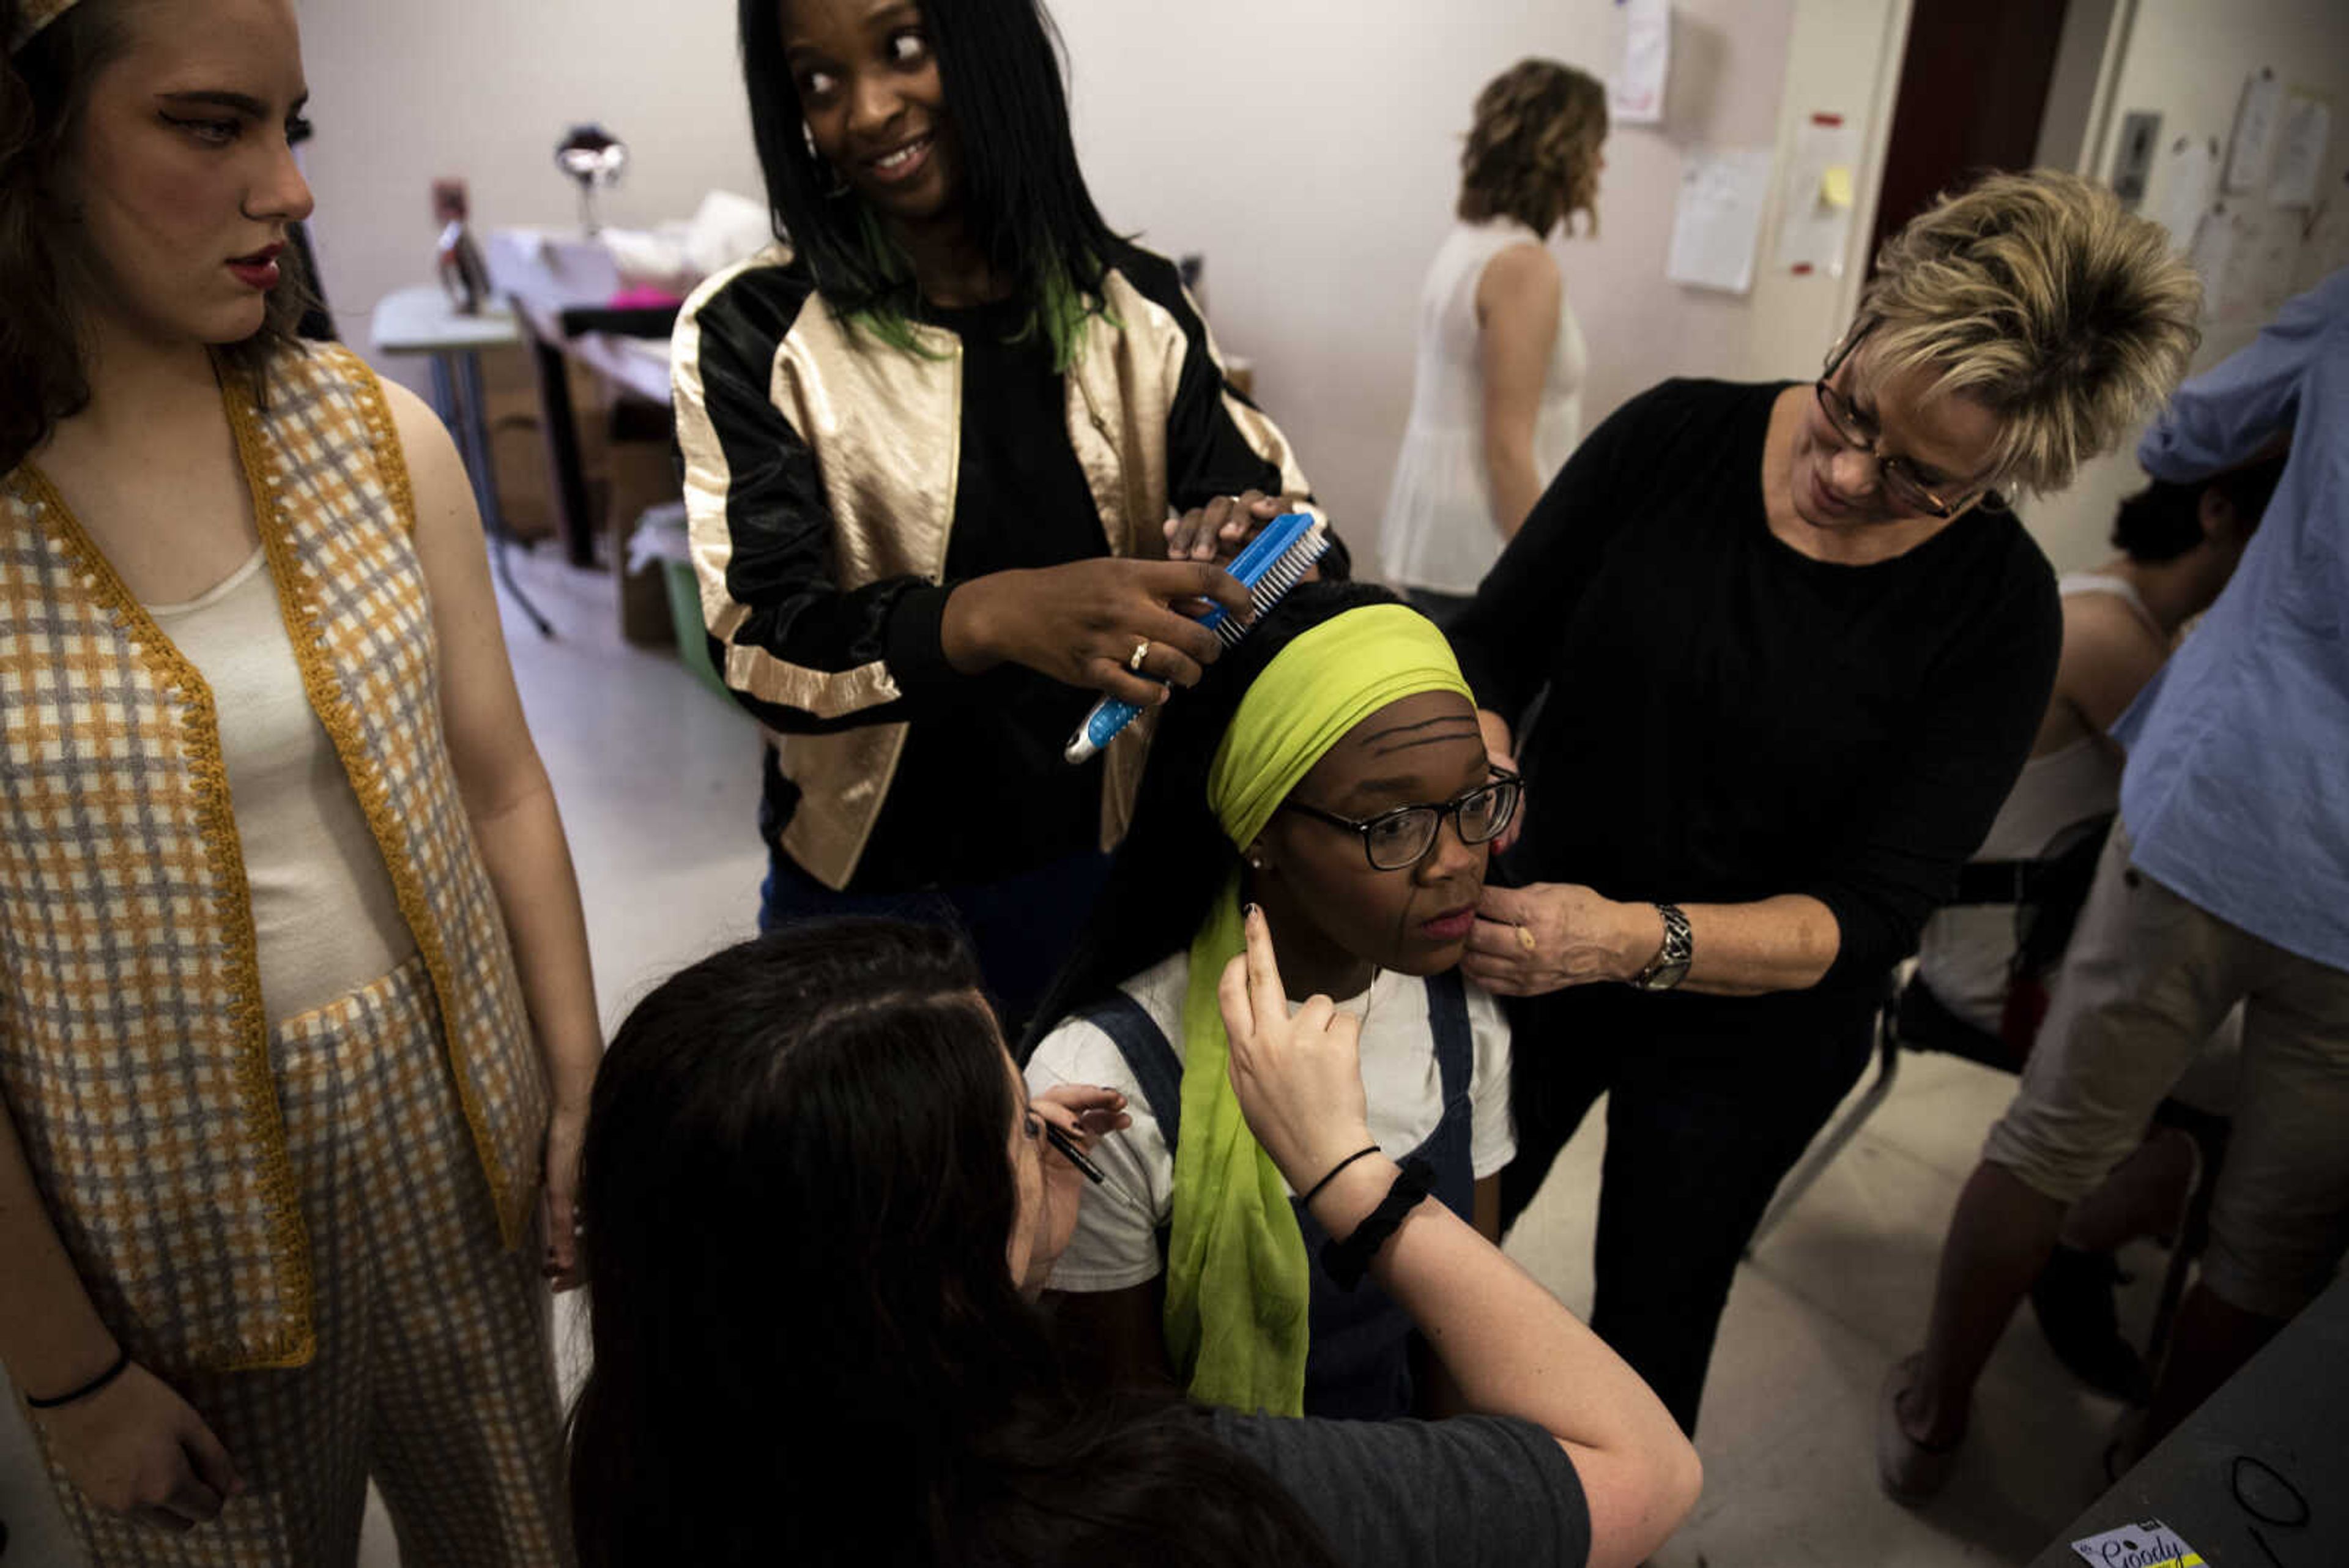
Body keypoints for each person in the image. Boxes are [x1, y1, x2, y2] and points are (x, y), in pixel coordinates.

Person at [1447, 169, 2203, 1435]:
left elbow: (1867, 912)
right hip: (1529, 942)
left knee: (1650, 1326)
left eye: (1923, 480)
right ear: (1866, 315)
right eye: (1851, 409)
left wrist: (1631, 937)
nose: (1852, 474)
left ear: (2010, 471)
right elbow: (1492, 648)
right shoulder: (1675, 436)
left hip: (1757, 1026)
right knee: (1441, 1250)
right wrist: (1483, 762)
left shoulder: (2000, 615)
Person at [0, 0, 597, 1558]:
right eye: (214, 128)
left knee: (519, 1523)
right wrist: (68, 1378)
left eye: (293, 126)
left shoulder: (370, 433)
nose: (291, 189)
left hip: (445, 1127)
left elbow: (502, 788)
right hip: (152, 1222)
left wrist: (575, 1073)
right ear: (33, 140)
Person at [569, 916, 1701, 1567]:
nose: (1053, 1121)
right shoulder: (1169, 1504)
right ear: (937, 1279)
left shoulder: (649, 1457)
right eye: (1015, 1124)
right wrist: (1358, 1181)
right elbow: (1647, 1469)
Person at [674, 0, 1330, 1033]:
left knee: (1098, 1191)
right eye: (818, 82)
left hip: (1109, 878)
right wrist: (987, 616)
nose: (869, 111)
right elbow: (761, 640)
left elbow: (1289, 532)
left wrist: (1244, 543)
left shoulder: (1137, 305)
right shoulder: (755, 331)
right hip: (868, 902)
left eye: (902, 48)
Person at [1884, 268, 2349, 1498]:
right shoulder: (2106, 629)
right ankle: (2158, 1491)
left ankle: (1934, 1414)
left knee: (2049, 1141)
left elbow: (2191, 432)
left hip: (2224, 814)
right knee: (2273, 1241)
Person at [1026, 584, 1518, 1420]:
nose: (1456, 861)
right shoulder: (1107, 1087)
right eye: (1394, 822)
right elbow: (1135, 1432)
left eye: (1475, 802)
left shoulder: (1461, 1018)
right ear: (1260, 829)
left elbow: (1467, 1343)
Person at [1909, 458, 2282, 1402]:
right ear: (2220, 513)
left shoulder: (2120, 611)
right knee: (2251, 1095)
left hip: (2032, 925)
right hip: (2001, 956)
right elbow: (2224, 826)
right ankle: (2071, 1240)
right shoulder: (2112, 637)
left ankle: (2078, 1230)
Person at [1379, 59, 1603, 626]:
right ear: (1563, 153)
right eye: (1596, 146)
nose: (1601, 165)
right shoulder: (1523, 267)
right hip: (1483, 548)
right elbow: (1508, 451)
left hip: (1441, 535)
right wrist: (1553, 575)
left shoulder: (1473, 243)